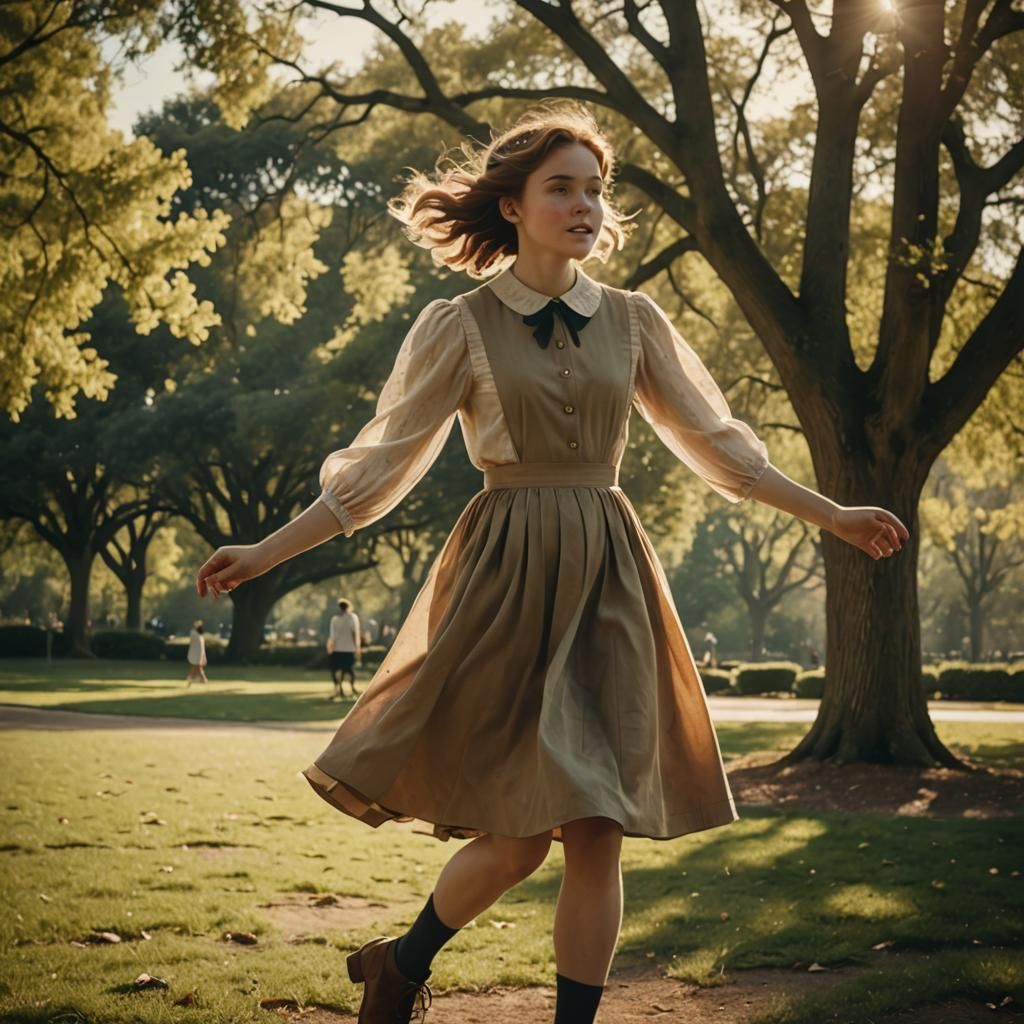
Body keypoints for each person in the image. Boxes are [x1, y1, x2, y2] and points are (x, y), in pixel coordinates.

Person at [194, 100, 909, 1024]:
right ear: (513, 207)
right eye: (560, 188)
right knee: (516, 841)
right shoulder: (458, 325)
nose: (584, 206)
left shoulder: (636, 320)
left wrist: (834, 514)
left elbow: (723, 448)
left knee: (597, 830)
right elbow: (376, 471)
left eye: (594, 190)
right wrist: (263, 552)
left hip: (610, 573)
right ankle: (401, 965)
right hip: (504, 583)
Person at [327, 598, 361, 699]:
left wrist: (330, 647)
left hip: (337, 648)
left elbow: (332, 636)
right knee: (349, 670)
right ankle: (352, 688)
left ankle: (339, 689)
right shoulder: (352, 617)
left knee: (337, 669)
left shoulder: (334, 619)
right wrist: (357, 647)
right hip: (349, 648)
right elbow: (355, 632)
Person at [185, 620, 208, 687]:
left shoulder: (199, 635)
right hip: (196, 653)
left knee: (196, 668)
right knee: (197, 668)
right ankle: (203, 680)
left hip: (198, 654)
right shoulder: (195, 634)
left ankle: (191, 680)